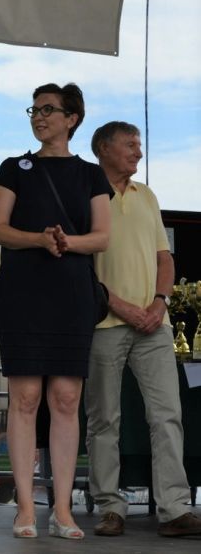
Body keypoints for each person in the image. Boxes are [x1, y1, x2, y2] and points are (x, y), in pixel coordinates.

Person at [0, 83, 111, 540]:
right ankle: (24, 507)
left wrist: (65, 242)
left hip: (72, 295)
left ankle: (62, 509)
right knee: (24, 398)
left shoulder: (91, 175)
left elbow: (102, 237)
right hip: (22, 293)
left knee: (66, 399)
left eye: (48, 110)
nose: (38, 117)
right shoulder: (13, 168)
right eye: (34, 110)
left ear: (71, 119)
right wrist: (39, 239)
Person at [86, 121, 201, 538]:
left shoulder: (147, 195)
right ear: (104, 148)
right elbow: (80, 265)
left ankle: (174, 509)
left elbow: (164, 259)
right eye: (130, 144)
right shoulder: (85, 194)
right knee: (104, 419)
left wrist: (160, 302)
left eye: (139, 144)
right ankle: (109, 507)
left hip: (155, 324)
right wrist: (119, 305)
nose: (138, 151)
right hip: (104, 323)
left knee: (168, 415)